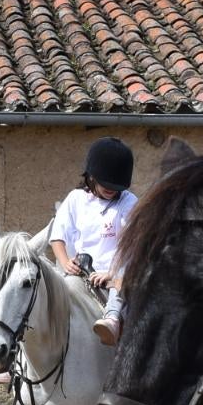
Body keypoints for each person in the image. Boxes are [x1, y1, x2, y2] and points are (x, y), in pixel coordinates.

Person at [50, 137, 138, 346]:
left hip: (115, 271)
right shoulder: (76, 199)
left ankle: (113, 318)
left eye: (115, 186)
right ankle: (19, 355)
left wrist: (111, 273)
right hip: (81, 270)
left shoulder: (129, 203)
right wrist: (64, 262)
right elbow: (58, 236)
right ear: (91, 176)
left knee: (123, 278)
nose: (111, 189)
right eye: (105, 183)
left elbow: (132, 245)